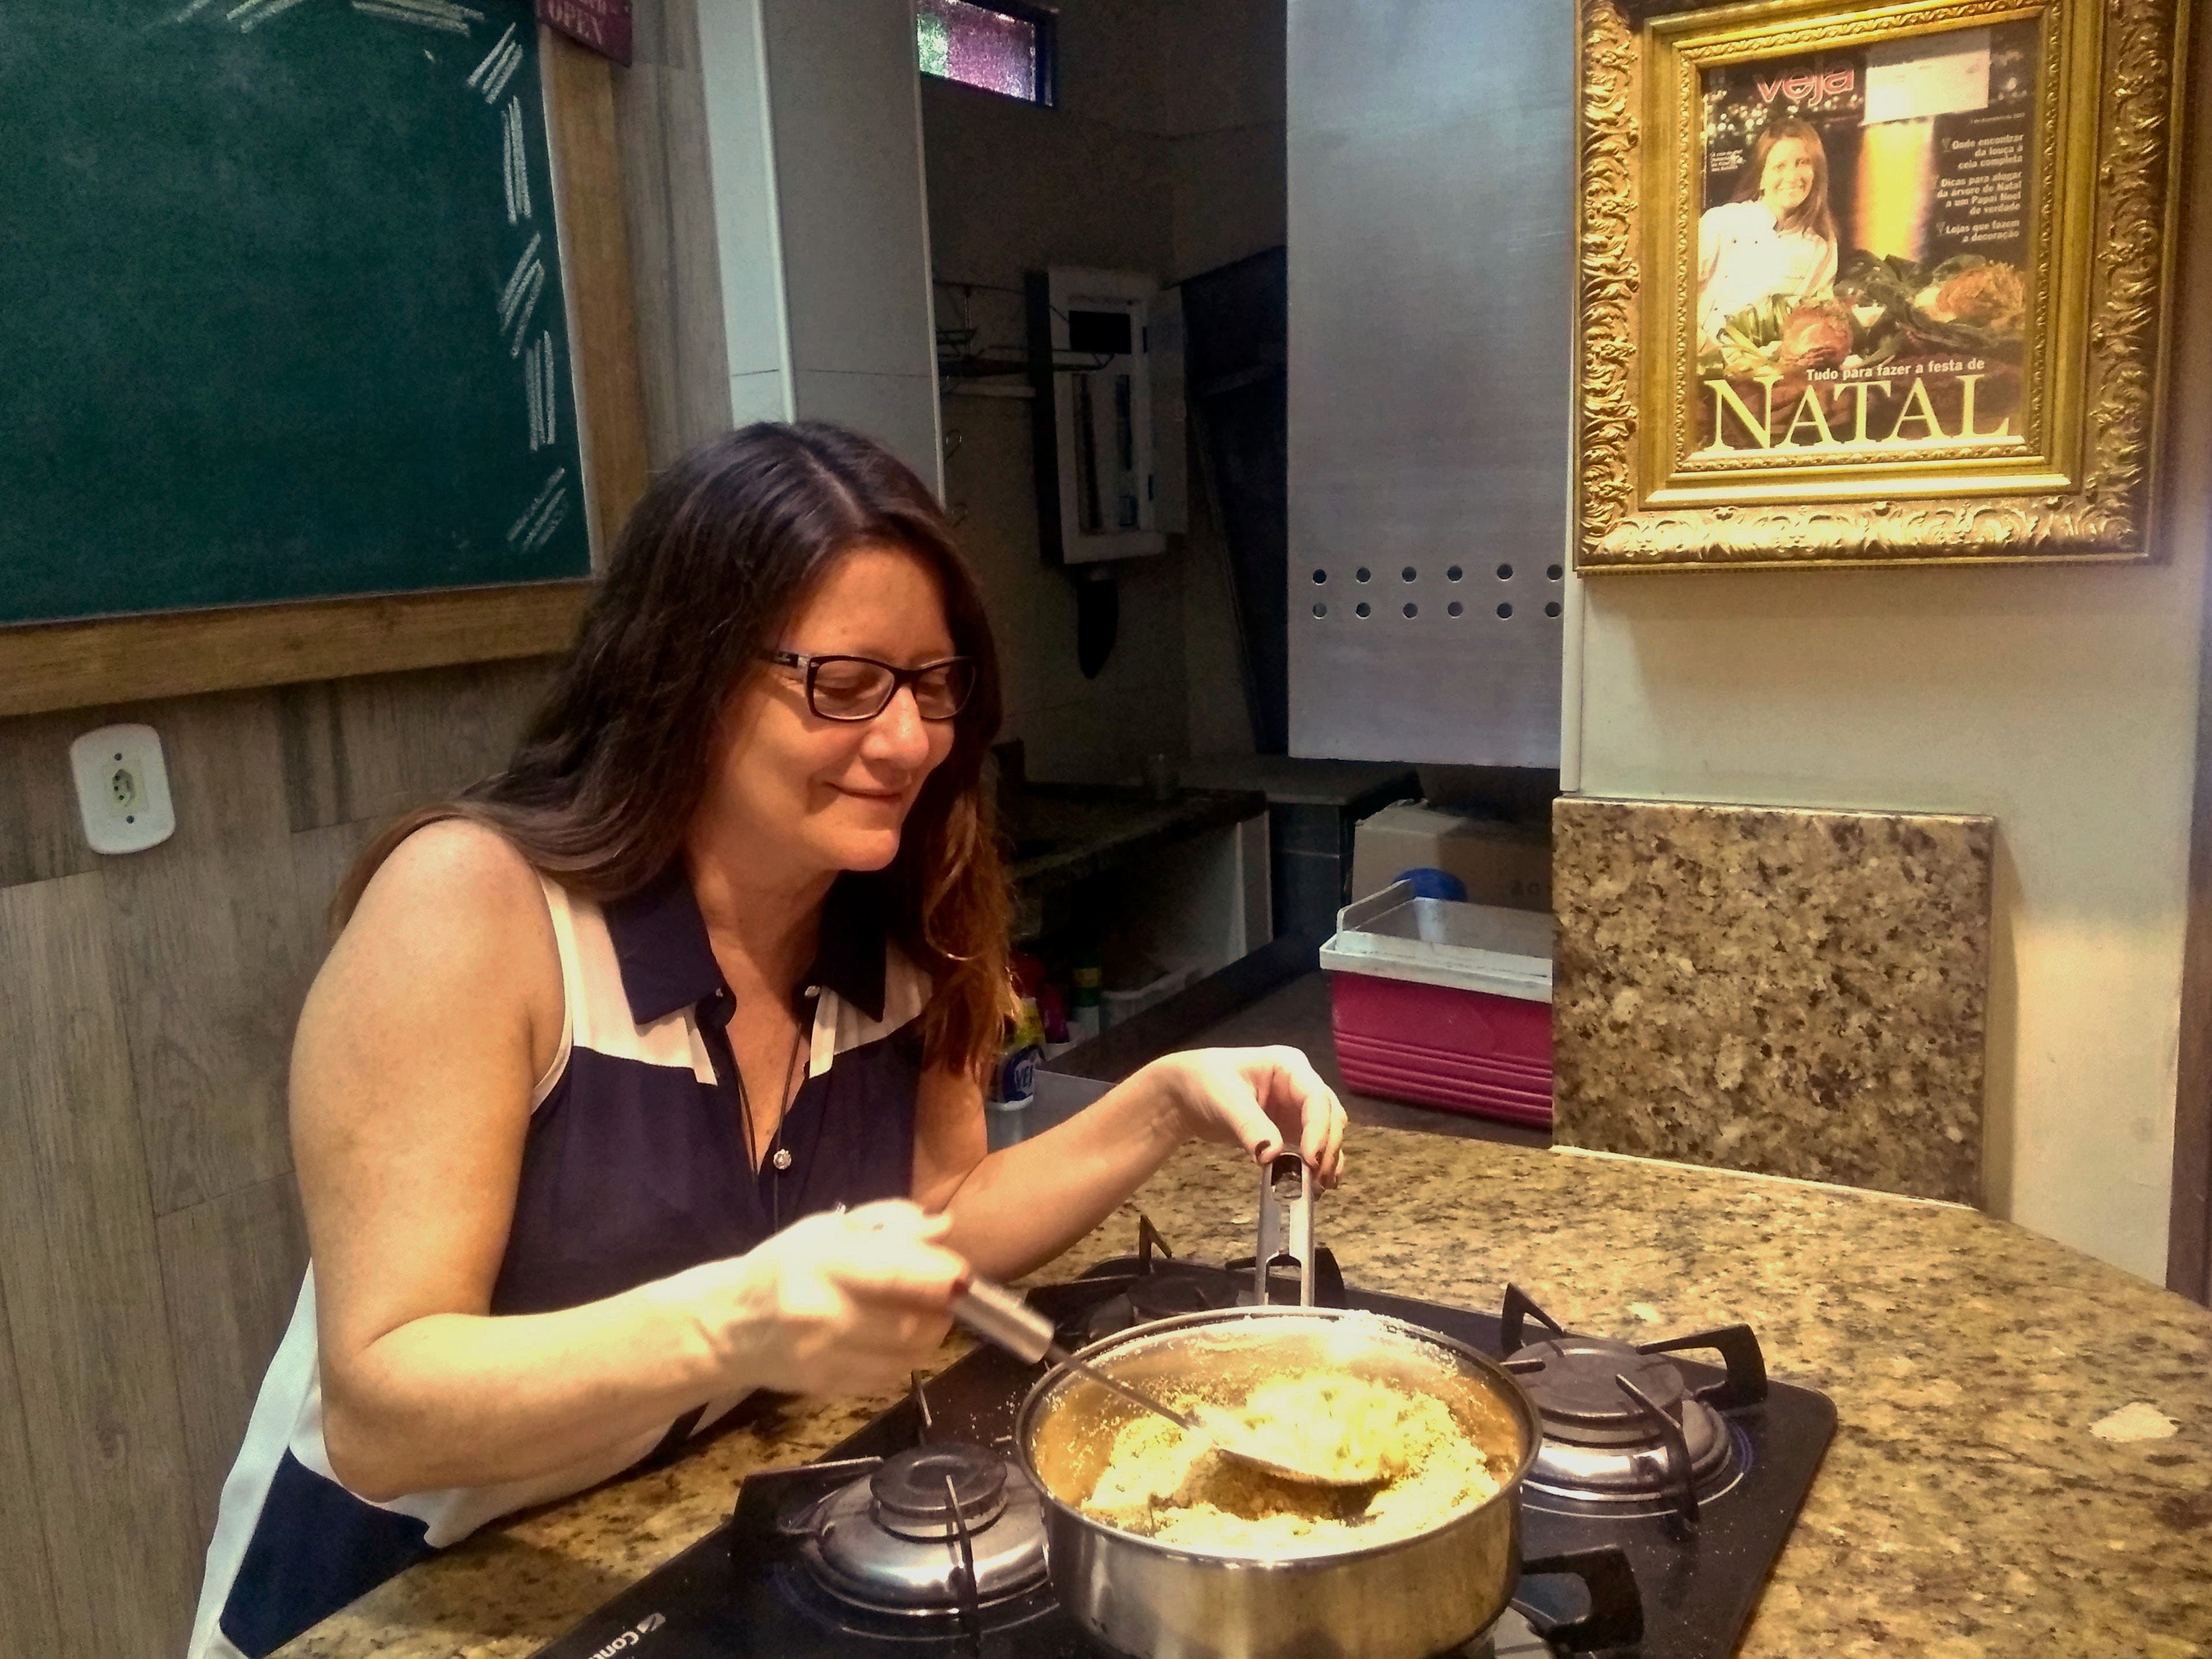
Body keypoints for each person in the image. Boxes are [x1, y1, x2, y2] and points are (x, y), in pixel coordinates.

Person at [187, 422, 1347, 1659]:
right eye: (842, 684)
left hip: (651, 1543)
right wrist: (735, 1323)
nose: (906, 741)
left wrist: (1161, 1101)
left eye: (933, 684)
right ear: (682, 672)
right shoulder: (475, 908)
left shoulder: (893, 916)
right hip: (392, 1597)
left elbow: (941, 1221)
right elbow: (384, 1409)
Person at [1696, 117, 1840, 348]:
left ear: (1816, 172)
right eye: (1779, 166)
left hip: (1769, 370)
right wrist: (1707, 350)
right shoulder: (1721, 223)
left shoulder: (1822, 245)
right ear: (1761, 178)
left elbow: (1813, 325)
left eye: (1802, 162)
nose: (1792, 177)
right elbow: (1672, 300)